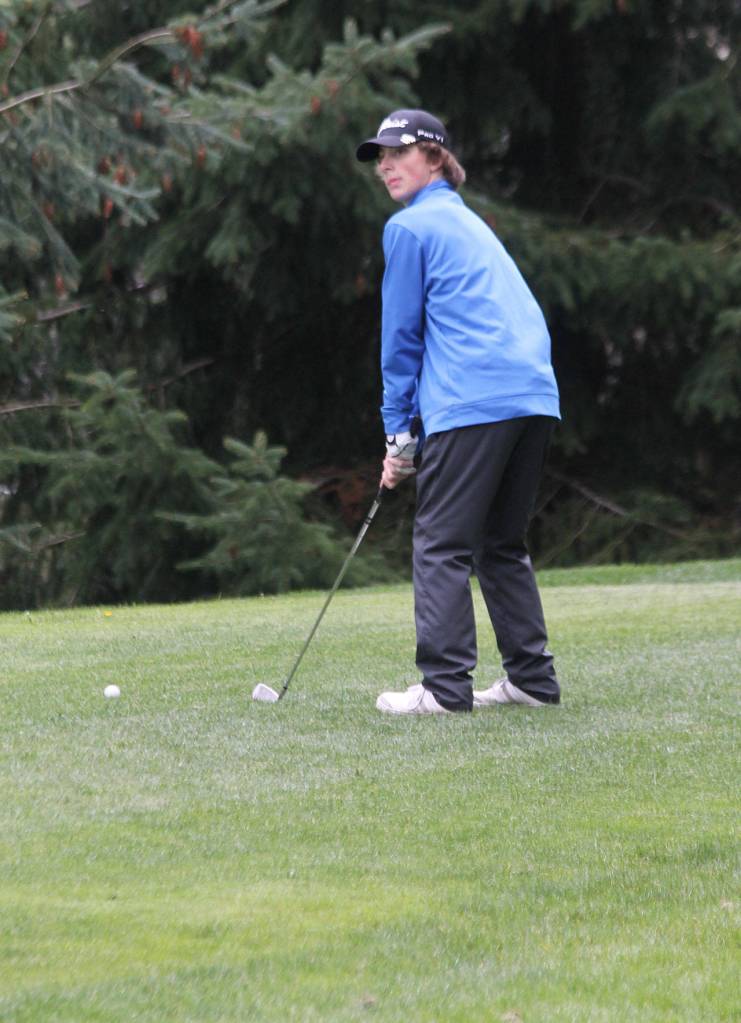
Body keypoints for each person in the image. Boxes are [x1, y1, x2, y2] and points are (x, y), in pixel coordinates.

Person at [355, 109, 561, 714]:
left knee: (441, 543)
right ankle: (532, 680)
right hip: (533, 397)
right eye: (380, 157)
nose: (386, 165)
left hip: (476, 399)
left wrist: (398, 433)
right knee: (500, 541)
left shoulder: (412, 228)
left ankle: (445, 690)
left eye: (400, 152)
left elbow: (402, 339)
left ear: (437, 158)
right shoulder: (468, 224)